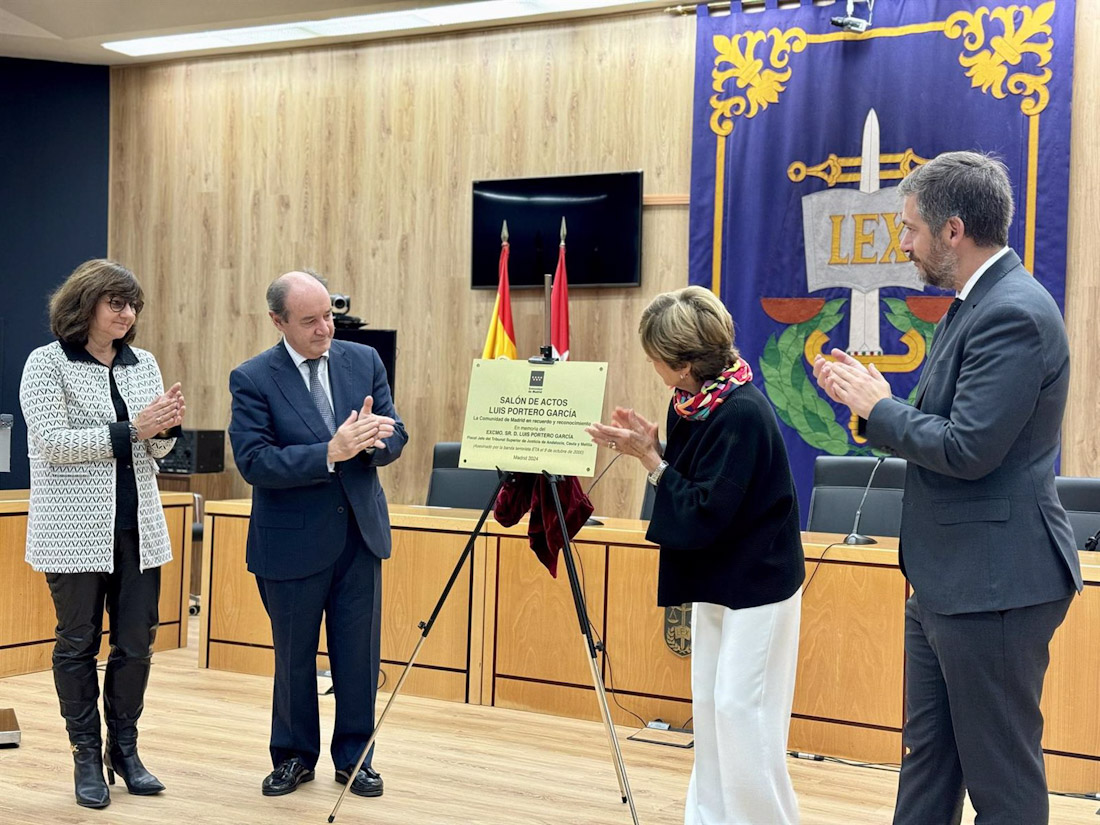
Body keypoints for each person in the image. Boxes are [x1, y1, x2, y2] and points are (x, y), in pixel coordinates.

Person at [814, 151, 1082, 824]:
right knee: (928, 764)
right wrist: (871, 401)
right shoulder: (975, 304)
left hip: (996, 583)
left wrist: (880, 407)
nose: (903, 243)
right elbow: (943, 424)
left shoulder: (1013, 312)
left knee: (1001, 781)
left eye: (909, 229)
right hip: (950, 579)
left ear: (953, 230)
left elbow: (967, 448)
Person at [586, 285, 804, 825]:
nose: (653, 367)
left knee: (740, 711)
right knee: (708, 709)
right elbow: (692, 478)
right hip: (717, 574)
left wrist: (650, 462)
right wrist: (656, 449)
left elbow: (708, 507)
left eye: (656, 359)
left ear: (684, 365)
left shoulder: (742, 413)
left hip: (758, 584)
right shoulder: (692, 402)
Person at [228, 270, 407, 799]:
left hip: (359, 534)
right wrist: (331, 451)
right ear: (277, 321)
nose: (324, 328)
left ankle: (356, 759)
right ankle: (292, 757)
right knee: (294, 657)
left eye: (328, 315)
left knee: (359, 657)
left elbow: (397, 431)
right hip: (290, 541)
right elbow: (254, 462)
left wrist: (378, 441)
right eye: (309, 320)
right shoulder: (253, 377)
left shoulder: (363, 360)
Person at [19, 259, 185, 809]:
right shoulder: (46, 364)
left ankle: (126, 751)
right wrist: (136, 428)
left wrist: (164, 429)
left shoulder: (144, 364)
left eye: (133, 305)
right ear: (84, 304)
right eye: (117, 303)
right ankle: (85, 755)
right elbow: (54, 444)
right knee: (77, 644)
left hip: (140, 528)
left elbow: (156, 453)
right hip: (72, 531)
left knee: (136, 645)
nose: (128, 313)